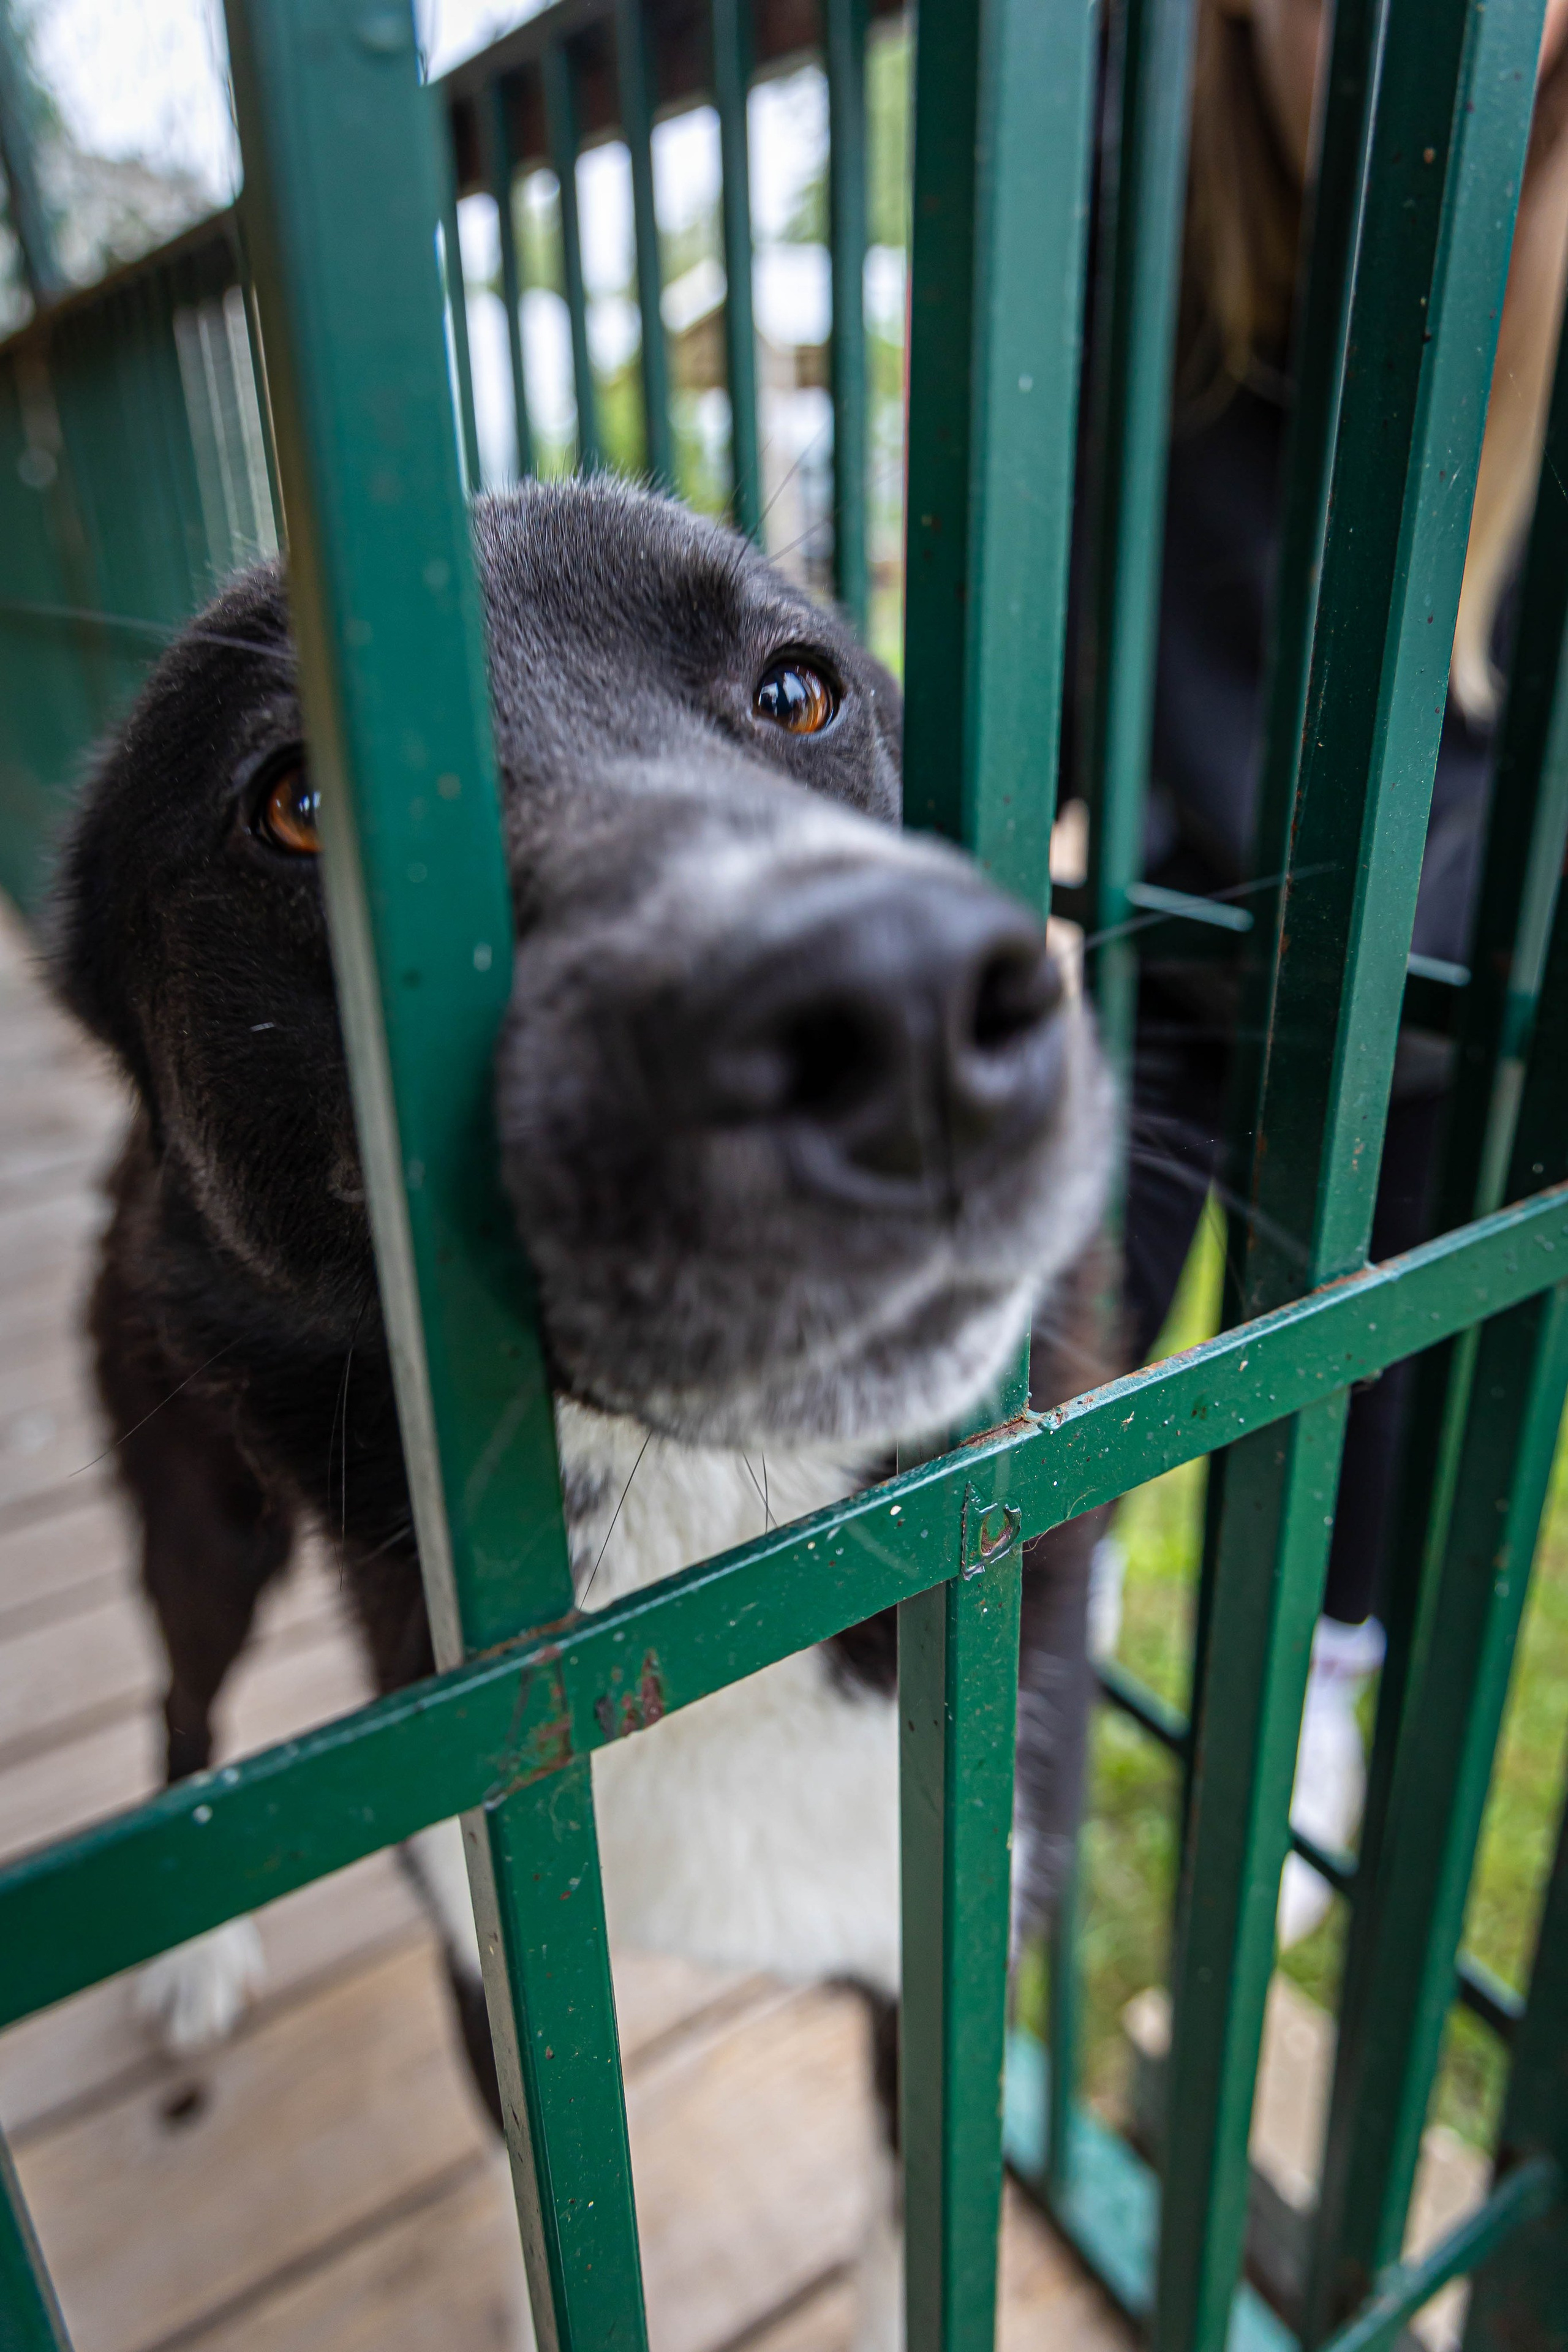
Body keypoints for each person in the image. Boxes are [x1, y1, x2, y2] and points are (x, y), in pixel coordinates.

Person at [1114, 0, 1568, 1943]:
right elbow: (1066, 596)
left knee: (1372, 1363)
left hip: (1458, 976)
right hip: (1175, 914)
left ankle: (1319, 1680)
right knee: (1036, 1354)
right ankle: (987, 1600)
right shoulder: (1133, 159)